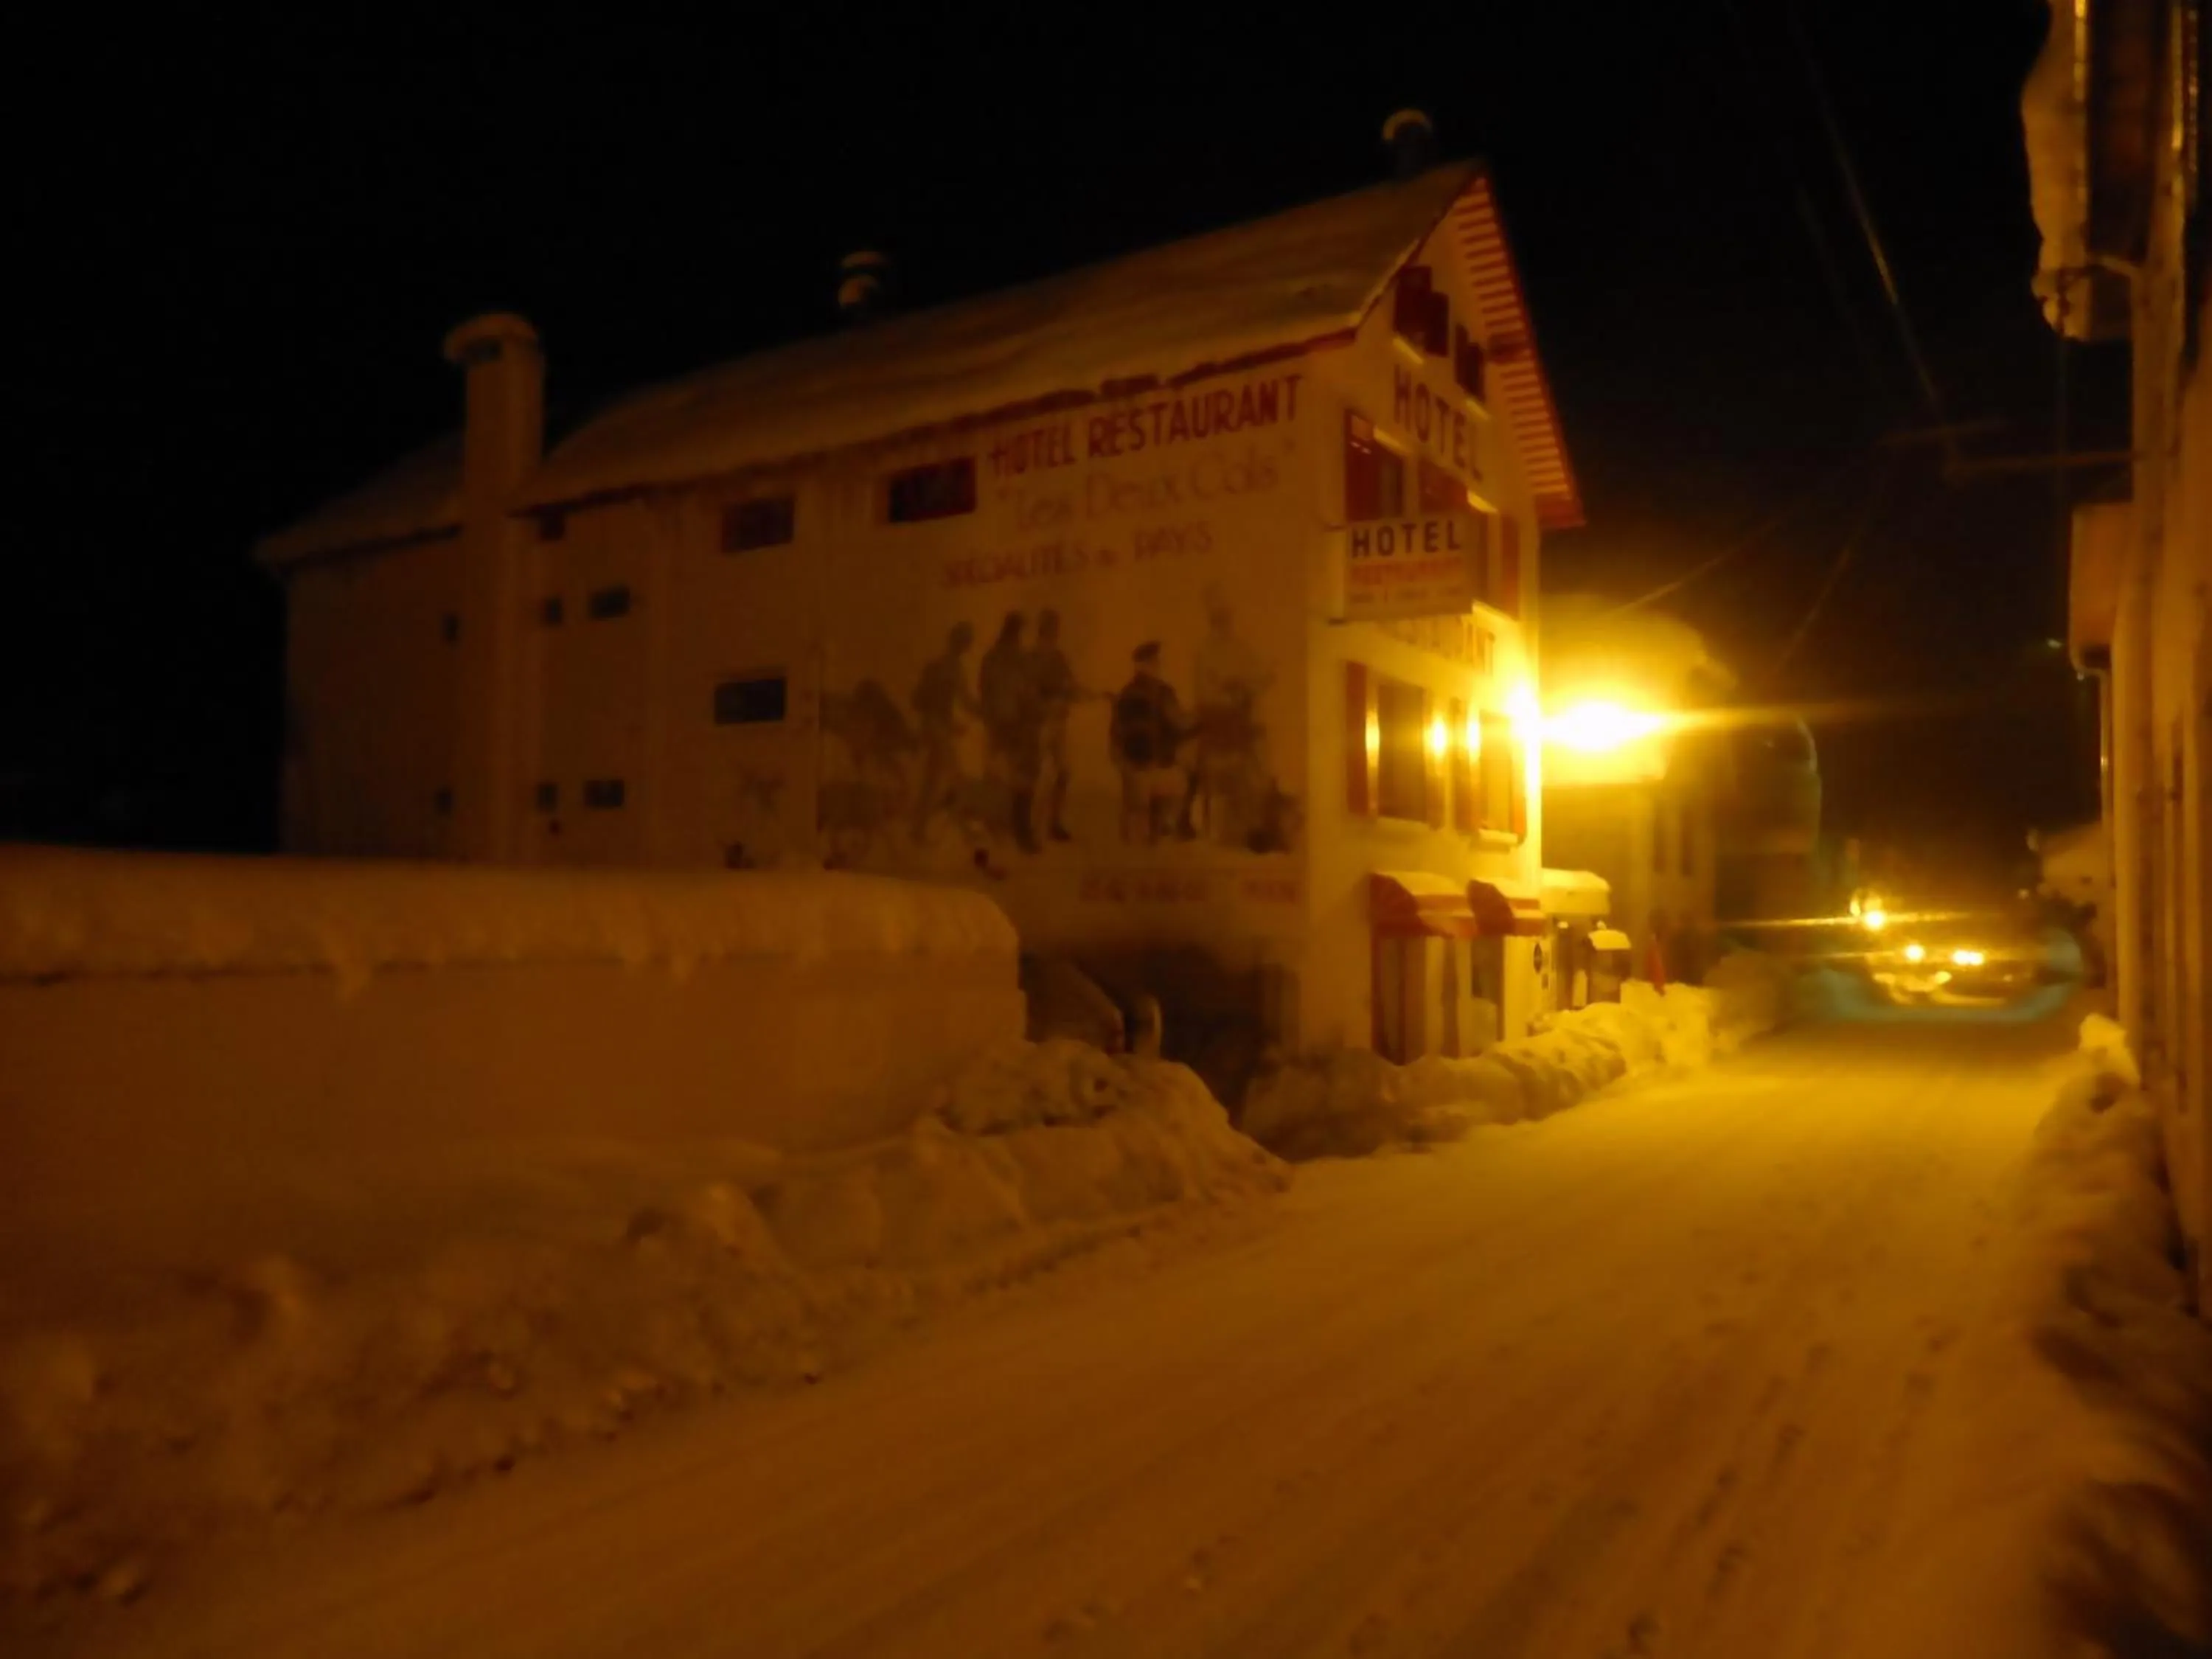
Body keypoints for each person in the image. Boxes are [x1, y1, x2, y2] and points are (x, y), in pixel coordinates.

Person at [1187, 587, 1273, 845]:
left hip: (1238, 720)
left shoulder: (1241, 649)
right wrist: (1225, 692)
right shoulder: (1204, 652)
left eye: (1226, 618)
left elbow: (1257, 678)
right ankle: (1211, 826)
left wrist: (1250, 686)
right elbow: (1204, 691)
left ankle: (1252, 826)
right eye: (1219, 618)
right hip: (1216, 721)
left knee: (1257, 762)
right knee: (1211, 766)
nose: (1224, 624)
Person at [1110, 642, 1192, 844]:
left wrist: (1122, 764)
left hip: (1138, 768)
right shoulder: (1161, 693)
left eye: (1156, 662)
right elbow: (1179, 723)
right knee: (1180, 783)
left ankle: (1154, 825)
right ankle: (1163, 822)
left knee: (1172, 783)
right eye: (1154, 662)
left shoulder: (1127, 693)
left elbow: (1115, 735)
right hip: (1150, 768)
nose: (1158, 665)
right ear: (1145, 665)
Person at [977, 612, 1042, 852]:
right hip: (1016, 726)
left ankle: (997, 829)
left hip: (999, 725)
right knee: (1023, 777)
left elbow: (984, 692)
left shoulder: (990, 658)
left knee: (999, 775)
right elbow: (1028, 694)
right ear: (1017, 633)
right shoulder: (1018, 660)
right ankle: (1020, 832)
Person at [910, 622, 980, 842]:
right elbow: (966, 701)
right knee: (954, 777)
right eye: (966, 642)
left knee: (932, 780)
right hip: (938, 729)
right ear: (961, 644)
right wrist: (986, 711)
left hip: (932, 727)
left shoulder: (937, 664)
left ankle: (919, 826)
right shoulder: (953, 668)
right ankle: (964, 828)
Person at [1028, 608, 1086, 843]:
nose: (1055, 633)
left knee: (1063, 773)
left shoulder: (1059, 657)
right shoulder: (1032, 658)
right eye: (1052, 628)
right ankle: (1033, 826)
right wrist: (1049, 703)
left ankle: (1054, 823)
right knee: (1041, 777)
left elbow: (1071, 685)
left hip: (1059, 723)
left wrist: (1086, 695)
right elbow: (1030, 693)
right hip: (1041, 725)